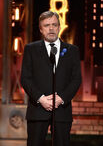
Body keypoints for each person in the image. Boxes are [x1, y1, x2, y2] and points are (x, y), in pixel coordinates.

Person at [21, 11, 81, 146]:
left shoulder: (72, 51)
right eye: (47, 25)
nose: (51, 28)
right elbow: (25, 78)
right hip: (37, 110)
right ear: (41, 29)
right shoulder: (31, 49)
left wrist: (61, 99)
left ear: (59, 27)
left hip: (62, 111)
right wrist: (41, 99)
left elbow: (76, 79)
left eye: (54, 24)